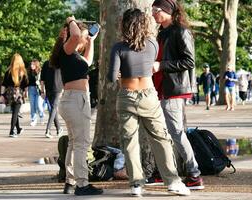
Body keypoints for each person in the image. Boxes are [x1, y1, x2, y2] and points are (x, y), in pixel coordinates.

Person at [108, 8, 190, 197]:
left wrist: (121, 73)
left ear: (124, 25)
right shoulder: (152, 44)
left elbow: (111, 78)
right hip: (148, 97)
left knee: (130, 142)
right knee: (160, 139)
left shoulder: (118, 47)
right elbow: (148, 65)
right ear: (144, 25)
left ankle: (136, 185)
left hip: (126, 96)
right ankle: (173, 182)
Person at [151, 0, 204, 190]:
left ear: (168, 11)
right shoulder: (162, 32)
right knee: (162, 133)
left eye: (157, 10)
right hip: (160, 88)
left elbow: (189, 61)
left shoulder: (181, 31)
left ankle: (194, 174)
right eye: (152, 11)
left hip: (173, 89)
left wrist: (161, 65)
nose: (153, 14)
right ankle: (165, 172)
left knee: (176, 133)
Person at [50, 16, 103, 196]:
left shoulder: (74, 56)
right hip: (75, 100)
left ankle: (70, 181)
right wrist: (71, 20)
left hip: (73, 100)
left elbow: (87, 62)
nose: (83, 38)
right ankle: (82, 184)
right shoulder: (68, 48)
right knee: (81, 143)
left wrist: (91, 41)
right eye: (83, 35)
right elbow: (73, 36)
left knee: (74, 143)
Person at [0, 53, 28, 138]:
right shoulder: (22, 72)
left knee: (15, 112)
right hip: (18, 94)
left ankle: (18, 129)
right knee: (15, 113)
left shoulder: (8, 71)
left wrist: (2, 95)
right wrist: (25, 94)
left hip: (9, 94)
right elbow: (25, 85)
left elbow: (4, 84)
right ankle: (12, 131)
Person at [40, 60, 63, 138]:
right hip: (58, 89)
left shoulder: (46, 63)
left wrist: (42, 91)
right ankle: (48, 130)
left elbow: (42, 79)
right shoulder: (61, 62)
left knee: (53, 109)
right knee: (53, 109)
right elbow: (65, 77)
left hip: (49, 89)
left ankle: (59, 129)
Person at [28, 59, 44, 126]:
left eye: (33, 64)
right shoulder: (28, 72)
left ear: (36, 65)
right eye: (31, 64)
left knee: (38, 105)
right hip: (31, 89)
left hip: (38, 90)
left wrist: (43, 90)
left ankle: (41, 116)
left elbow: (42, 81)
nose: (31, 66)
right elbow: (26, 82)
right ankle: (33, 119)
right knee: (32, 105)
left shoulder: (40, 72)